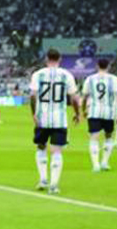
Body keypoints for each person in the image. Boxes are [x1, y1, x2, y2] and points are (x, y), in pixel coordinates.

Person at [29, 49, 80, 194]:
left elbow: (32, 96)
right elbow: (74, 98)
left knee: (41, 147)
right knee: (57, 150)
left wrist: (33, 113)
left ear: (46, 58)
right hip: (59, 119)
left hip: (42, 118)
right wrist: (77, 113)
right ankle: (53, 185)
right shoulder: (67, 75)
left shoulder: (38, 74)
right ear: (60, 59)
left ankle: (43, 179)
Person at [81, 59, 117, 172]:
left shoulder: (90, 79)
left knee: (94, 137)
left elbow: (85, 97)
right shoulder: (113, 79)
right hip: (109, 112)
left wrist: (83, 109)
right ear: (109, 66)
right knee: (108, 136)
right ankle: (105, 162)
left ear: (97, 66)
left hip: (94, 111)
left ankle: (95, 164)